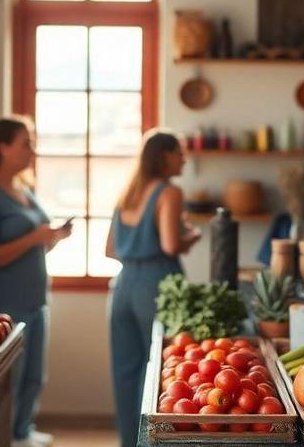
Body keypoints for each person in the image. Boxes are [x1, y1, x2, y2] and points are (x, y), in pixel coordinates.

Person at [0, 117, 72, 447]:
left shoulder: (25, 190)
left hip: (34, 299)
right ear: (2, 147)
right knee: (8, 378)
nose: (32, 150)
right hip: (1, 304)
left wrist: (52, 238)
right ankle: (4, 438)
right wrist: (33, 238)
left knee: (34, 375)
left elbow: (35, 241)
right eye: (26, 143)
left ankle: (22, 432)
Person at [106, 130, 202, 447]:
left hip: (122, 285)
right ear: (165, 156)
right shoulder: (168, 193)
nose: (184, 159)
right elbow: (171, 244)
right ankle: (150, 441)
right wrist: (193, 236)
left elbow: (110, 249)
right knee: (160, 368)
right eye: (180, 153)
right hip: (157, 284)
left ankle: (128, 441)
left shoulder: (128, 193)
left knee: (126, 369)